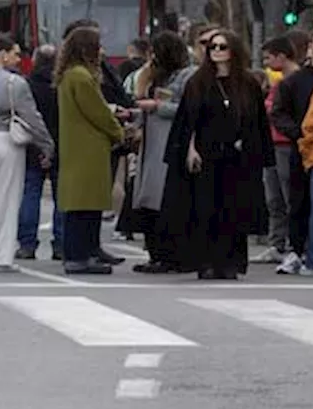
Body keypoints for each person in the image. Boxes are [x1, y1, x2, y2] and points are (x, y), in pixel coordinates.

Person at [163, 30, 271, 279]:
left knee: (233, 210)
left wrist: (252, 146)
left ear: (234, 50)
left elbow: (256, 122)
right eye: (213, 47)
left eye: (222, 46)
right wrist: (190, 150)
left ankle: (230, 263)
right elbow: (188, 121)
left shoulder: (247, 84)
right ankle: (206, 262)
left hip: (237, 157)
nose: (217, 51)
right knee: (205, 209)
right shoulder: (198, 83)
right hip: (206, 155)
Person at [0, 37, 54, 272]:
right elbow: (32, 117)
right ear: (2, 55)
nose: (19, 59)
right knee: (5, 201)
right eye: (15, 54)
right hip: (3, 140)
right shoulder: (14, 82)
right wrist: (47, 145)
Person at [56, 26, 125, 275]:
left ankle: (83, 252)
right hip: (89, 147)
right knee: (86, 204)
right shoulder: (82, 77)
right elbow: (98, 111)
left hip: (78, 146)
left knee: (82, 203)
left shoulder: (70, 74)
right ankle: (80, 255)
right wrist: (118, 131)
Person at [124, 31, 195, 273]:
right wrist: (133, 116)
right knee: (148, 201)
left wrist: (158, 106)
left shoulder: (187, 76)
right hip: (150, 142)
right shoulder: (153, 74)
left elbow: (187, 109)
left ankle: (171, 256)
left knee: (165, 199)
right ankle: (155, 253)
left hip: (170, 142)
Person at [269, 29, 313, 275]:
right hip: (302, 149)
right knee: (298, 202)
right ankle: (297, 249)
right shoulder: (294, 82)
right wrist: (298, 134)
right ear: (310, 47)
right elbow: (278, 113)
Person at [254, 36, 302, 264]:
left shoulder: (294, 81)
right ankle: (277, 242)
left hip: (286, 143)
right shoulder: (278, 82)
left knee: (287, 195)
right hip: (272, 143)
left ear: (282, 56)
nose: (266, 63)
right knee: (273, 198)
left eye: (268, 58)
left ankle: (293, 242)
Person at [17, 44, 62, 260]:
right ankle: (60, 244)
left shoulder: (26, 84)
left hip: (32, 145)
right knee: (61, 196)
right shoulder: (61, 85)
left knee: (30, 193)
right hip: (60, 144)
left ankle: (27, 244)